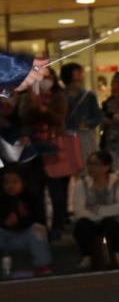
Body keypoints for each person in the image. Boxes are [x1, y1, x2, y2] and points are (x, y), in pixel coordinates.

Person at [21, 66, 68, 239]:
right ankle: (40, 225)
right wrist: (33, 104)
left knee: (57, 192)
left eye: (47, 77)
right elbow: (24, 118)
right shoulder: (29, 96)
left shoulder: (58, 97)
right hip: (34, 150)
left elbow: (59, 119)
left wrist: (44, 110)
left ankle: (58, 226)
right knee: (35, 190)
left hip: (54, 148)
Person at [72, 150, 119, 270]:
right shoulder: (82, 184)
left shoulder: (117, 183)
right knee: (82, 225)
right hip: (90, 222)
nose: (91, 168)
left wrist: (97, 209)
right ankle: (86, 256)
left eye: (95, 164)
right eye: (89, 164)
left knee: (111, 224)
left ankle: (116, 253)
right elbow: (79, 211)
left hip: (110, 221)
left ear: (106, 167)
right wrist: (104, 212)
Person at [0, 168, 53, 276]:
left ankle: (42, 265)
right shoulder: (1, 198)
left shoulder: (31, 196)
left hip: (27, 235)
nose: (10, 186)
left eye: (14, 182)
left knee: (39, 229)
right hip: (6, 237)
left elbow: (38, 219)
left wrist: (21, 220)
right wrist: (5, 223)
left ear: (23, 182)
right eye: (7, 183)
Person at [62, 62, 102, 173]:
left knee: (87, 168)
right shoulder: (60, 97)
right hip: (67, 137)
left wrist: (87, 124)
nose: (81, 75)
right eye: (78, 72)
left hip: (85, 137)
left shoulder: (89, 96)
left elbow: (98, 117)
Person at [101, 71, 119, 184]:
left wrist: (114, 118)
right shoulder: (108, 102)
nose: (114, 85)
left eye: (117, 82)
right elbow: (103, 118)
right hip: (110, 144)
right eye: (113, 81)